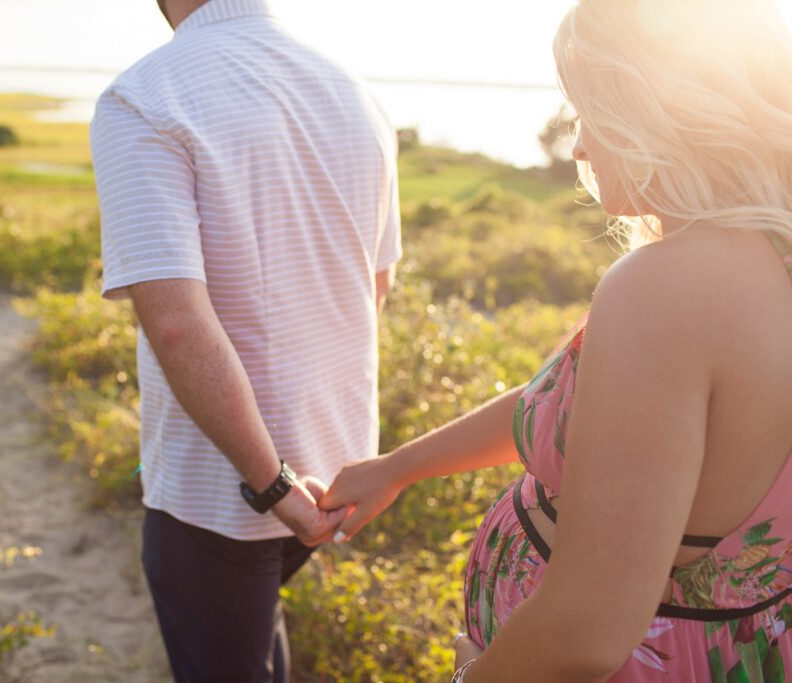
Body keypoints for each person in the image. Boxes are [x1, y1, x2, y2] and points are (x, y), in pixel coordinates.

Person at [319, 0, 792, 680]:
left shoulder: (668, 288)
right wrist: (398, 466)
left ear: (655, 109)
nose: (579, 145)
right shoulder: (767, 256)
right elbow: (596, 413)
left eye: (587, 111)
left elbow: (587, 629)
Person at [89, 0, 402, 680]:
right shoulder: (354, 91)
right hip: (335, 469)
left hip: (224, 489)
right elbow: (372, 286)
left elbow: (175, 322)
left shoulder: (145, 95)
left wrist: (271, 483)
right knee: (254, 636)